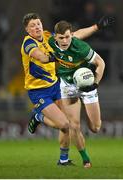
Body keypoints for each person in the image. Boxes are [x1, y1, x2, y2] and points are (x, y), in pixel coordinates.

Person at [23, 13, 113, 167]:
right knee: (68, 125)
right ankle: (39, 117)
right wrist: (53, 57)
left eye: (38, 23)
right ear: (27, 30)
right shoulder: (28, 43)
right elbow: (40, 56)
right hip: (40, 91)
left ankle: (63, 160)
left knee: (91, 127)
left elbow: (75, 35)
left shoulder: (49, 37)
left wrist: (97, 27)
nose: (37, 27)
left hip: (56, 85)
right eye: (32, 25)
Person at [48, 20, 105, 168]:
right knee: (74, 125)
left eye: (67, 37)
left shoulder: (80, 47)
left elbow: (101, 63)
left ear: (71, 35)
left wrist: (95, 84)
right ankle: (86, 159)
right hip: (68, 86)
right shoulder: (50, 42)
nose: (65, 41)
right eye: (61, 38)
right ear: (55, 37)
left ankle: (86, 111)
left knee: (96, 128)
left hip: (87, 84)